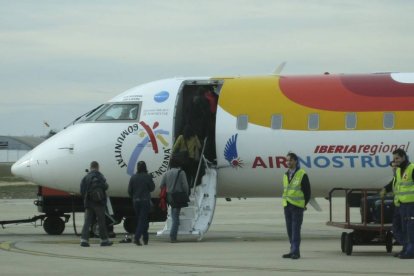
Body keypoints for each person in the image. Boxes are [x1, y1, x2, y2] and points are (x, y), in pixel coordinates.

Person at [281, 152, 311, 259]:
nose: (288, 162)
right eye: (287, 160)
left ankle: (296, 252)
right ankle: (292, 250)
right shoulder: (285, 174)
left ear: (295, 161)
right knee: (290, 230)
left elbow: (307, 192)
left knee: (295, 229)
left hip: (297, 207)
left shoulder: (302, 174)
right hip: (287, 205)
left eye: (290, 160)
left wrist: (303, 204)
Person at [388, 149, 414, 259]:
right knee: (401, 228)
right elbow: (396, 184)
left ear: (403, 157)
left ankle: (410, 251)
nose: (395, 161)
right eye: (394, 159)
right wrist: (385, 189)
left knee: (410, 229)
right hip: (401, 204)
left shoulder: (412, 168)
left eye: (397, 158)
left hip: (411, 203)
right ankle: (406, 248)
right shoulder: (398, 171)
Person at [80, 161, 112, 247]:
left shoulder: (86, 177)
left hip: (89, 203)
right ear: (98, 167)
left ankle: (84, 240)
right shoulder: (100, 176)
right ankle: (104, 240)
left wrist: (86, 198)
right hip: (99, 202)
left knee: (87, 221)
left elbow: (82, 190)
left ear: (90, 167)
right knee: (101, 221)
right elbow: (105, 187)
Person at [160, 157, 189, 243]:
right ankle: (173, 236)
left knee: (174, 215)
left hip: (170, 196)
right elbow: (185, 185)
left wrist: (168, 188)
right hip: (178, 196)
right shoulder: (181, 173)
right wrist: (186, 194)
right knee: (176, 217)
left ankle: (174, 232)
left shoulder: (166, 173)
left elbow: (161, 185)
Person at [128, 161, 155, 246]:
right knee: (143, 220)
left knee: (142, 220)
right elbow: (152, 188)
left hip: (136, 201)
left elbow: (129, 191)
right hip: (145, 200)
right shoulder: (147, 177)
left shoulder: (133, 177)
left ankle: (146, 238)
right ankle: (137, 237)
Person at [380, 160, 403, 257]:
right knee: (397, 228)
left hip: (406, 205)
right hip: (399, 205)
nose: (394, 168)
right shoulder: (396, 177)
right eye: (392, 167)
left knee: (403, 228)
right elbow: (391, 185)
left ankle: (408, 248)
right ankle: (406, 247)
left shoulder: (404, 176)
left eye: (396, 166)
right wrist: (385, 189)